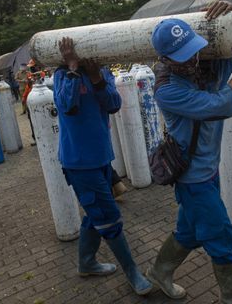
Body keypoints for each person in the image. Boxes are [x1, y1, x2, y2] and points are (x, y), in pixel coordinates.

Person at [146, 1, 232, 304]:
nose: (191, 60)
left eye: (192, 50)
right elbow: (224, 104)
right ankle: (231, 296)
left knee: (188, 232)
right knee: (221, 235)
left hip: (208, 172)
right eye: (182, 57)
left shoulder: (204, 62)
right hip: (193, 179)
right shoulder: (167, 90)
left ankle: (159, 271)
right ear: (165, 59)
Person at [53, 37, 152, 295]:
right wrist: (73, 69)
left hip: (102, 158)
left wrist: (97, 78)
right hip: (79, 162)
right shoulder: (62, 74)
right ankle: (132, 271)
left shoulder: (103, 71)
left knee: (95, 212)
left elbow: (114, 104)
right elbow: (66, 106)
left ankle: (86, 263)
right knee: (108, 218)